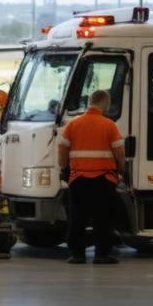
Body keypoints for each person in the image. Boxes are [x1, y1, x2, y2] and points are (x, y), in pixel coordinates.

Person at [59, 89, 126, 264]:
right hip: (104, 180)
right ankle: (102, 255)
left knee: (77, 218)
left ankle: (77, 254)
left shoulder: (73, 124)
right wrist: (122, 170)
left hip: (78, 179)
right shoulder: (109, 125)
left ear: (90, 101)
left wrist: (64, 167)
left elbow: (62, 150)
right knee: (103, 218)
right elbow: (119, 153)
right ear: (105, 102)